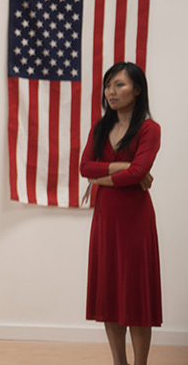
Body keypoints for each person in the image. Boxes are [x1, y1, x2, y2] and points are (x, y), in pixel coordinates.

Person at [80, 62, 161, 365]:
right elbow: (84, 167)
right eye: (108, 85)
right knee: (110, 291)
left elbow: (139, 172)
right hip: (105, 218)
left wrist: (101, 178)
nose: (111, 92)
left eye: (120, 85)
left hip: (135, 220)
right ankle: (119, 362)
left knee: (136, 295)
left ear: (138, 90)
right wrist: (123, 167)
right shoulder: (101, 128)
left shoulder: (150, 129)